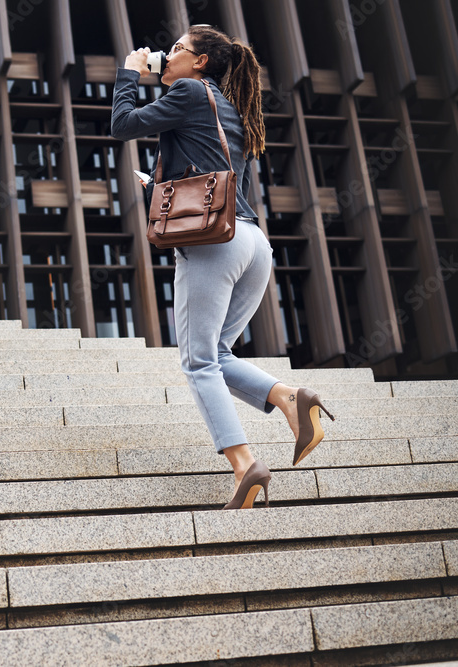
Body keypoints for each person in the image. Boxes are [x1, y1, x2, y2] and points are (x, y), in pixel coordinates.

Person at [110, 25, 335, 510]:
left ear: (201, 63)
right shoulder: (227, 108)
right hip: (253, 243)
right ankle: (290, 398)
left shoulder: (190, 92)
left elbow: (122, 125)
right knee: (217, 354)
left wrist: (129, 73)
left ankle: (244, 464)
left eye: (176, 50)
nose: (166, 56)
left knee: (197, 361)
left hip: (215, 246)